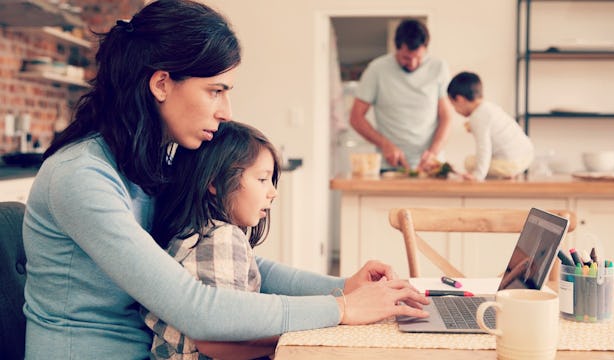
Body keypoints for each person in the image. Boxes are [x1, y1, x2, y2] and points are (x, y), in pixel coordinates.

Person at [22, 1, 429, 359]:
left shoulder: (150, 162)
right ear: (161, 83)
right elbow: (195, 307)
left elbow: (238, 261)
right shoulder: (81, 176)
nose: (226, 111)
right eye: (215, 91)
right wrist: (341, 309)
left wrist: (344, 287)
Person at [141, 121, 281, 359]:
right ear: (215, 182)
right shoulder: (222, 238)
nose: (273, 192)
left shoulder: (192, 233)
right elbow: (217, 340)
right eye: (262, 179)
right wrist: (283, 341)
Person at [349, 19, 453, 172]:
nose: (413, 64)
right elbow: (356, 118)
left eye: (418, 58)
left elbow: (446, 117)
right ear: (396, 49)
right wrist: (384, 144)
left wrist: (433, 152)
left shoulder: (439, 68)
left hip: (431, 166)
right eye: (406, 58)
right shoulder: (377, 70)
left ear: (425, 49)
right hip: (389, 167)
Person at [447, 71, 534, 181]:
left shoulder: (477, 117)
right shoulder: (490, 107)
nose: (456, 111)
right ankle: (508, 172)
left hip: (512, 163)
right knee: (492, 158)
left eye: (454, 106)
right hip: (527, 154)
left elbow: (484, 147)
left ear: (460, 99)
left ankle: (507, 171)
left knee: (469, 162)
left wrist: (477, 175)